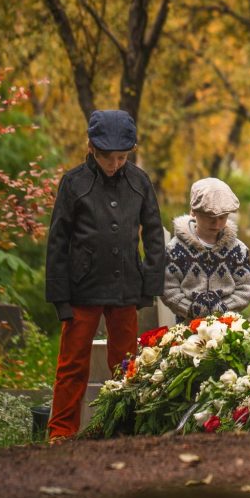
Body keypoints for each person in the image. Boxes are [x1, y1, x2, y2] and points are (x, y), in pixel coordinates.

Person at [45, 109, 165, 440]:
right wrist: (60, 298)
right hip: (81, 286)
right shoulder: (73, 183)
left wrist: (149, 287)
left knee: (126, 363)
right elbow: (57, 242)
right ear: (91, 149)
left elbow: (154, 234)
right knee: (72, 363)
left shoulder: (139, 181)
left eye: (122, 157)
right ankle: (60, 431)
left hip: (126, 283)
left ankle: (124, 426)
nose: (114, 164)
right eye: (107, 158)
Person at [163, 177, 250, 320]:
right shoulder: (175, 249)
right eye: (209, 217)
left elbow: (246, 287)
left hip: (229, 327)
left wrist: (225, 308)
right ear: (193, 211)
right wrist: (189, 309)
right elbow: (168, 288)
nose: (217, 223)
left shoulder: (238, 250)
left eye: (223, 217)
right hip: (187, 329)